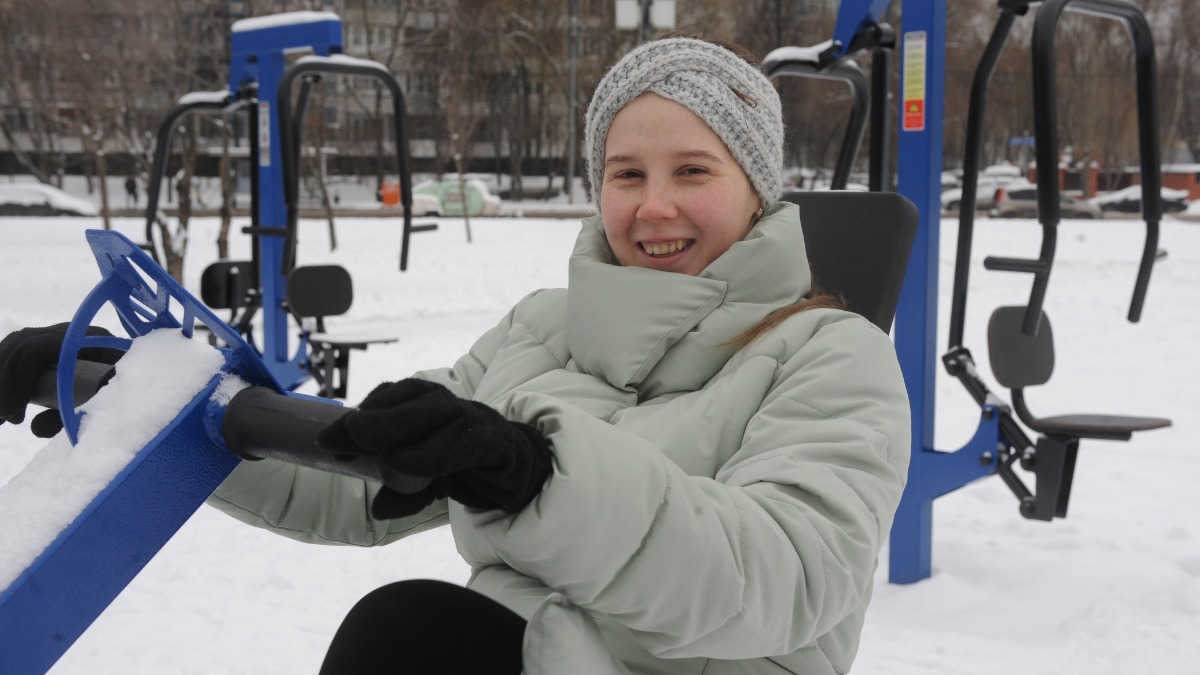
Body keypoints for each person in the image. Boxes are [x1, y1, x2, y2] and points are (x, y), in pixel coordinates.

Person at [0, 36, 911, 675]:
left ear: (758, 191)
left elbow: (787, 576)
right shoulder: (544, 329)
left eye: (694, 171)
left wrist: (537, 476)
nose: (654, 206)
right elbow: (362, 468)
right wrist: (162, 399)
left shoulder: (833, 356)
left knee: (411, 630)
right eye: (626, 174)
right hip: (512, 653)